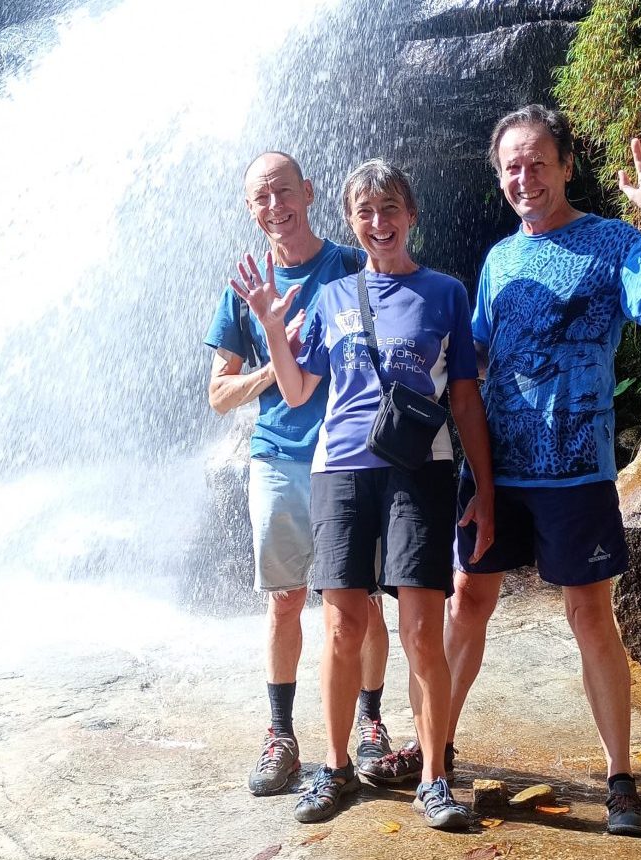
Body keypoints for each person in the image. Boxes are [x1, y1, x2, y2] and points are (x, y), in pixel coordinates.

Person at [368, 105, 641, 838]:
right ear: (500, 177)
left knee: (590, 614)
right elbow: (474, 361)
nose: (525, 178)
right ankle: (434, 752)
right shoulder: (498, 260)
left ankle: (620, 780)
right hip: (496, 469)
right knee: (467, 601)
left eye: (537, 162)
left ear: (566, 165)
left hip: (577, 471)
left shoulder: (613, 243)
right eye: (511, 167)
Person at [230, 158, 495, 829]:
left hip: (420, 470)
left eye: (390, 209)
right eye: (365, 213)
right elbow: (298, 392)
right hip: (340, 471)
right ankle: (336, 765)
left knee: (421, 630)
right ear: (350, 221)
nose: (379, 224)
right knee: (344, 624)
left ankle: (434, 777)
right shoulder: (332, 296)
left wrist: (484, 488)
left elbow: (465, 399)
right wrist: (270, 327)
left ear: (410, 215)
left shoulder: (445, 292)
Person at [204, 151, 392, 799]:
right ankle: (281, 734)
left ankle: (370, 722)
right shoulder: (246, 286)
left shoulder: (351, 264)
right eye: (261, 197)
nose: (275, 206)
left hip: (350, 456)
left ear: (309, 193)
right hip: (278, 457)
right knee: (285, 600)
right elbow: (219, 394)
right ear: (249, 209)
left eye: (284, 191)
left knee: (361, 599)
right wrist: (274, 347)